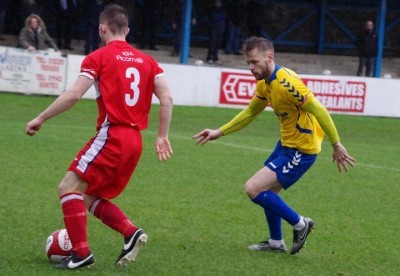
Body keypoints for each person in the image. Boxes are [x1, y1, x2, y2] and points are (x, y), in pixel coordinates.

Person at [26, 4, 173, 269]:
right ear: (127, 30)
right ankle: (130, 233)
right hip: (135, 141)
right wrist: (162, 135)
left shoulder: (98, 57)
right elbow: (167, 98)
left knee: (67, 188)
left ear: (102, 28)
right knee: (87, 196)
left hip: (112, 135)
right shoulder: (149, 61)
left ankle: (81, 255)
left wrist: (41, 117)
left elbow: (72, 95)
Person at [193, 37, 355, 255]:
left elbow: (320, 110)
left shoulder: (287, 83)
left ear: (269, 57)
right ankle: (276, 242)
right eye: (248, 63)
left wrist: (336, 144)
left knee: (252, 188)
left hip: (302, 150)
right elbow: (251, 112)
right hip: (286, 145)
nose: (250, 68)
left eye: (254, 62)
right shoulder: (264, 83)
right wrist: (219, 132)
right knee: (268, 192)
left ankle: (301, 224)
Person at [205, 0, 226, 64]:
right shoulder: (211, 10)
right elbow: (209, 19)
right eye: (217, 2)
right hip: (213, 29)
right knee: (211, 43)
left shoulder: (222, 10)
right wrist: (210, 26)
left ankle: (215, 57)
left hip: (219, 29)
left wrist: (222, 28)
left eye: (219, 2)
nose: (218, 3)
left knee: (217, 44)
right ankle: (209, 57)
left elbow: (223, 19)